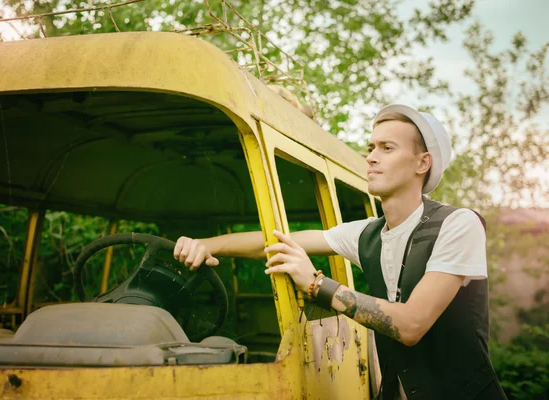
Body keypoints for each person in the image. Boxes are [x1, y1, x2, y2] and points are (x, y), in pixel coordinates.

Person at [173, 104, 507, 399]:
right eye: (370, 147)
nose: (371, 157)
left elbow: (411, 325)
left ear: (423, 163)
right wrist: (207, 245)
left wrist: (316, 284)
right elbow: (277, 240)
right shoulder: (367, 232)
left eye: (387, 148)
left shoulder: (459, 224)